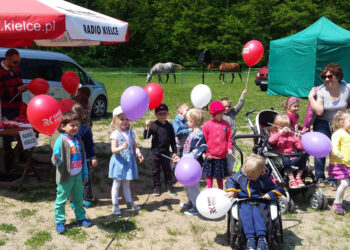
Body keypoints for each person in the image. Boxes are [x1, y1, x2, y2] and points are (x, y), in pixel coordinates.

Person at [226, 154, 282, 250]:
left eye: (252, 177)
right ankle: (250, 238)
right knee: (246, 214)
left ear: (261, 172)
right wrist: (231, 190)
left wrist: (270, 194)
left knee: (258, 214)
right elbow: (231, 181)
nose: (248, 178)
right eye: (247, 175)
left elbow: (277, 189)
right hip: (244, 201)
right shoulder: (241, 174)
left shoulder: (264, 179)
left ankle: (261, 238)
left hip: (260, 201)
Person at [308, 63, 350, 188]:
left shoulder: (346, 88)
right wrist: (311, 98)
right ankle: (320, 177)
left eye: (330, 76)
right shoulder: (321, 91)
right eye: (324, 77)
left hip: (339, 124)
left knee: (336, 150)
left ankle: (333, 178)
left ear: (337, 76)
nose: (326, 79)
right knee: (321, 149)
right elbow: (319, 111)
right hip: (323, 122)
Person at [51, 111, 91, 234]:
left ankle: (81, 218)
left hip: (78, 176)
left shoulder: (78, 140)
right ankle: (60, 221)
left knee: (79, 199)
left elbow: (83, 159)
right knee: (61, 200)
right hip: (65, 177)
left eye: (76, 125)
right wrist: (56, 160)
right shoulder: (61, 140)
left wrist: (85, 174)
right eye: (71, 125)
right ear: (63, 126)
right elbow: (55, 158)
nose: (75, 128)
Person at [109, 106, 144, 215]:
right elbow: (113, 150)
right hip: (119, 163)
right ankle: (115, 205)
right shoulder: (115, 134)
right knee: (116, 183)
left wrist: (139, 154)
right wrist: (121, 148)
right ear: (116, 120)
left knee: (126, 184)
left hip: (128, 162)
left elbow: (135, 146)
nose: (124, 121)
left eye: (126, 119)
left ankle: (129, 202)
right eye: (121, 119)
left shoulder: (131, 133)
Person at [173, 108, 207, 216]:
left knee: (193, 187)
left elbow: (195, 153)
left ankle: (197, 207)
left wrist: (182, 159)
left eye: (188, 121)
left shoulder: (198, 135)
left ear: (192, 122)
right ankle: (191, 202)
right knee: (187, 186)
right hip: (187, 164)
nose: (187, 122)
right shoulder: (193, 132)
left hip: (194, 166)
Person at [0, 49, 28, 168]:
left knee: (21, 132)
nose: (17, 65)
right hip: (5, 108)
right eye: (15, 62)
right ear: (7, 59)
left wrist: (23, 88)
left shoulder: (16, 70)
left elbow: (18, 84)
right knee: (7, 135)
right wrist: (17, 89)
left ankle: (21, 155)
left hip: (17, 106)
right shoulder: (0, 72)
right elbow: (1, 91)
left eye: (18, 62)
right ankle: (7, 160)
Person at [143, 104, 177, 196]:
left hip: (165, 152)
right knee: (156, 171)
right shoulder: (153, 125)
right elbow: (146, 137)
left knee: (167, 170)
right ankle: (157, 187)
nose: (162, 116)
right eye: (159, 114)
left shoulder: (169, 126)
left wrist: (175, 152)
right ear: (155, 114)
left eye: (164, 113)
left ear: (168, 113)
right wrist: (147, 127)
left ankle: (169, 186)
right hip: (155, 153)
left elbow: (173, 141)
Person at [268, 114, 306, 189]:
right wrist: (280, 133)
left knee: (304, 155)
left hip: (292, 156)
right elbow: (271, 141)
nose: (285, 129)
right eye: (282, 127)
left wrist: (299, 137)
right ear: (276, 127)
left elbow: (300, 147)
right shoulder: (275, 134)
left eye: (287, 127)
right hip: (280, 158)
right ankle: (291, 179)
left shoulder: (292, 135)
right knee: (286, 159)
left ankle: (298, 177)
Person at [71, 103, 97, 208]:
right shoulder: (86, 131)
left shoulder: (69, 131)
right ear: (83, 116)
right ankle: (87, 199)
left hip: (73, 159)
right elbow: (90, 146)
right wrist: (93, 157)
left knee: (73, 180)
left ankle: (72, 200)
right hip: (85, 159)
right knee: (86, 179)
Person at [203, 100, 233, 189]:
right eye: (219, 114)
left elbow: (229, 137)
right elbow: (204, 141)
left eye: (222, 113)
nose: (222, 115)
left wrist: (229, 147)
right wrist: (207, 153)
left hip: (221, 156)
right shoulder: (207, 125)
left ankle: (220, 190)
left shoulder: (226, 124)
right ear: (213, 114)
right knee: (209, 175)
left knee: (220, 176)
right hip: (210, 156)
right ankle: (210, 190)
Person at [328, 110, 350, 214]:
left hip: (347, 163)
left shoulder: (348, 133)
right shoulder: (337, 134)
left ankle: (339, 202)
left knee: (344, 184)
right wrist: (338, 153)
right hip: (339, 162)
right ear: (342, 122)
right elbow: (333, 147)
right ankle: (336, 203)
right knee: (345, 183)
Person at [221, 89, 247, 174]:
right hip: (223, 140)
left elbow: (238, 106)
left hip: (232, 140)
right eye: (225, 106)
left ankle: (228, 171)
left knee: (231, 156)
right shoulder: (220, 115)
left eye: (229, 106)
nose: (227, 108)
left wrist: (242, 96)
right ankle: (222, 171)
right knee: (222, 157)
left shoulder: (232, 112)